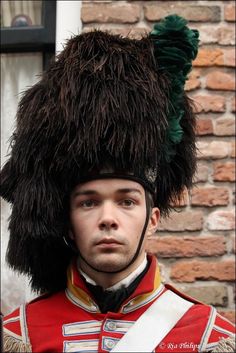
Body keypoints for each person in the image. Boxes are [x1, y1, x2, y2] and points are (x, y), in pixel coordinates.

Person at [1, 15, 235, 353]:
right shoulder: (19, 336)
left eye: (126, 201)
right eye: (88, 202)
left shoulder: (210, 338)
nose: (108, 218)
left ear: (152, 219)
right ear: (67, 221)